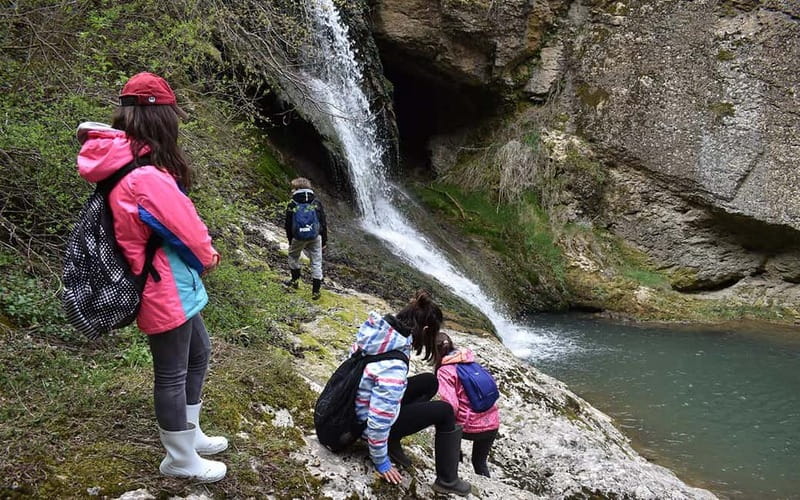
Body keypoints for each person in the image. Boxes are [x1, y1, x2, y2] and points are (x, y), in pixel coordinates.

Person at [75, 72, 227, 482]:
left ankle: (190, 435)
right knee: (173, 372)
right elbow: (189, 231)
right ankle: (179, 457)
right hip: (163, 288)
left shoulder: (131, 164)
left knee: (198, 353)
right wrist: (210, 258)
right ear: (159, 119)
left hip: (171, 282)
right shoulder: (143, 176)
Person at [351, 290, 471, 496]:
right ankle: (447, 481)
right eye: (432, 334)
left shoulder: (380, 332)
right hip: (364, 423)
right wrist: (381, 461)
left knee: (429, 382)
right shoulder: (394, 366)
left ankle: (393, 438)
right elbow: (378, 420)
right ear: (425, 330)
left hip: (357, 404)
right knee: (444, 411)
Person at [434, 332, 500, 478]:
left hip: (469, 427)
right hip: (493, 423)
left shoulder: (445, 371)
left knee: (443, 422)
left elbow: (451, 406)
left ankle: (454, 464)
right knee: (480, 462)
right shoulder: (471, 361)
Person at [283, 177, 327, 300]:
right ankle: (316, 292)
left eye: (293, 188)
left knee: (293, 256)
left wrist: (290, 239)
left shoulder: (292, 204)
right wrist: (324, 241)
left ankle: (295, 281)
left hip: (298, 237)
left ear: (297, 189)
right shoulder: (316, 202)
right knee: (316, 262)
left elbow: (288, 224)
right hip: (315, 235)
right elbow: (323, 222)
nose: (292, 190)